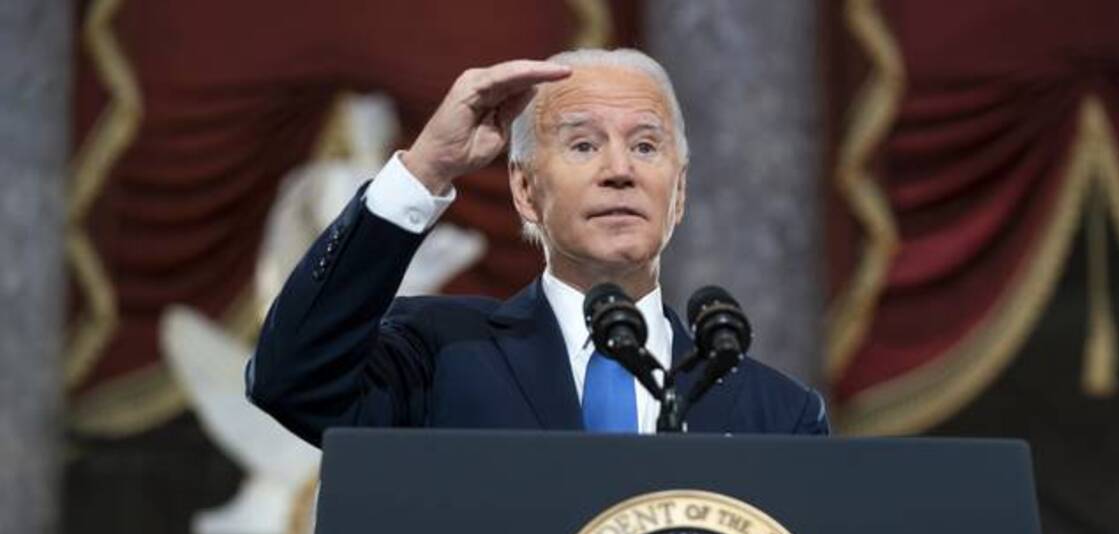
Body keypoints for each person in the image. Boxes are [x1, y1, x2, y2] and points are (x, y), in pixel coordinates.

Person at [246, 48, 829, 445]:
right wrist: (425, 170)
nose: (620, 170)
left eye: (647, 147)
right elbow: (293, 382)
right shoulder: (438, 356)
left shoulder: (777, 414)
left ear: (679, 193)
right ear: (524, 190)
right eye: (582, 146)